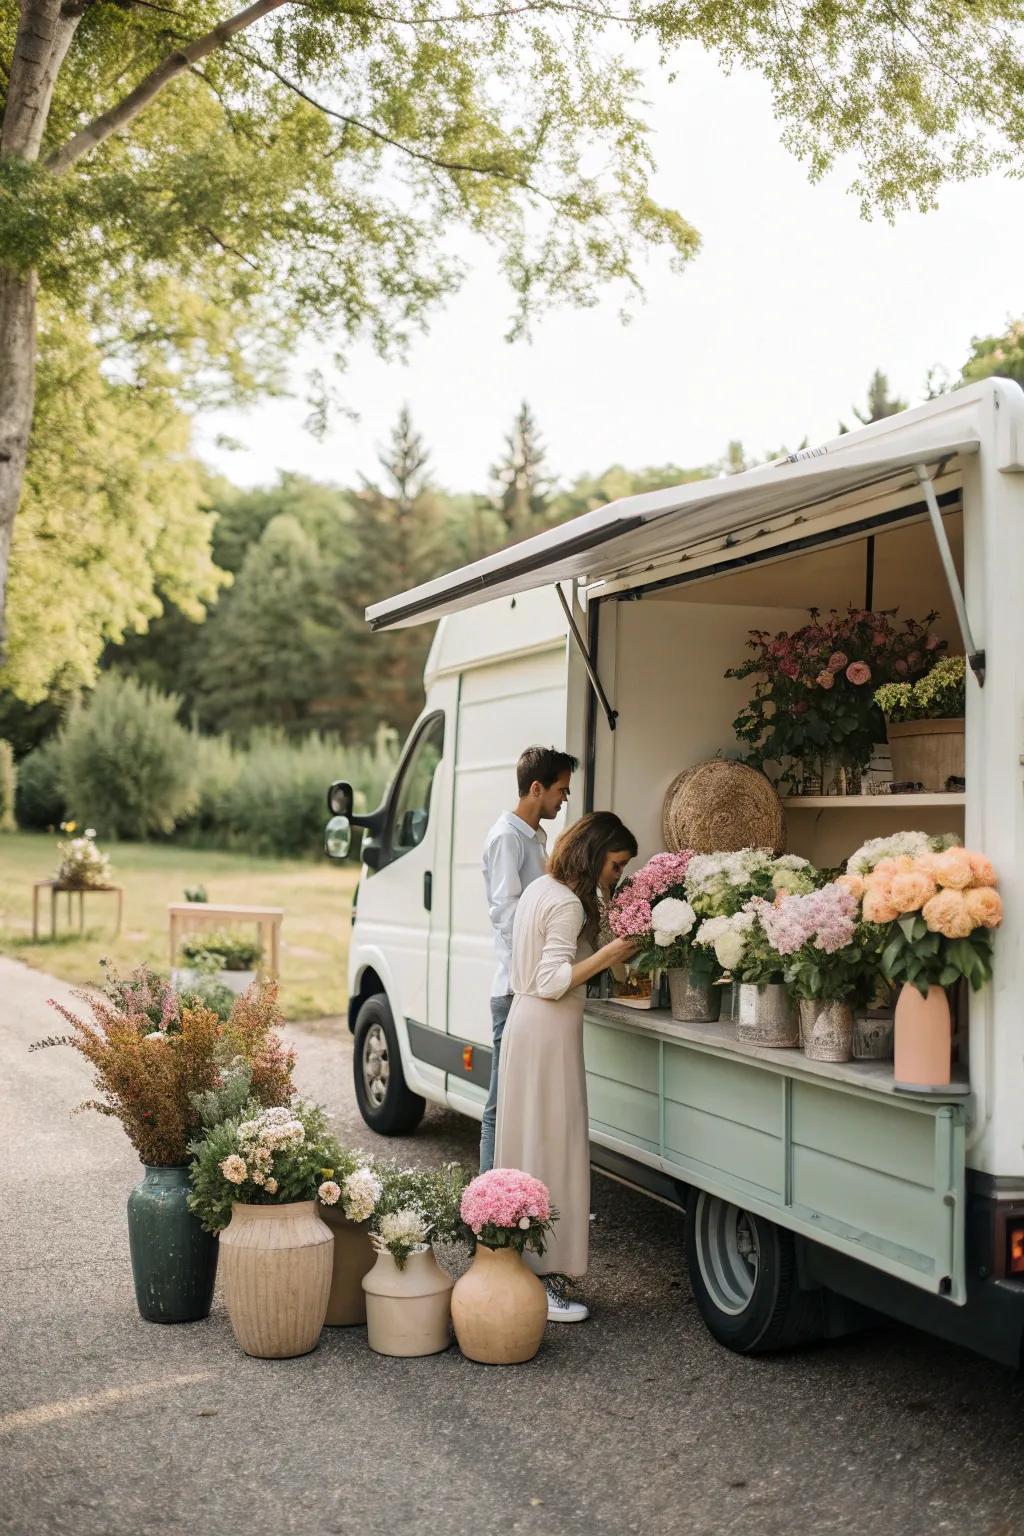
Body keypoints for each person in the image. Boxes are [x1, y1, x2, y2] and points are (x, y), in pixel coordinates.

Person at [494, 811, 639, 1323]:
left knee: (529, 1146)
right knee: (554, 1149)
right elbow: (553, 978)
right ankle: (547, 1281)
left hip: (526, 1026)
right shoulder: (566, 905)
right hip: (548, 1029)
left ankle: (518, 1263)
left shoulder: (542, 888)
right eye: (616, 865)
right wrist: (615, 952)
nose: (616, 875)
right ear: (596, 854)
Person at [479, 745, 578, 1173]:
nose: (564, 799)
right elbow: (507, 913)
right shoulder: (507, 837)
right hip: (514, 988)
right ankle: (484, 1214)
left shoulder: (534, 836)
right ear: (535, 788)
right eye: (561, 790)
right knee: (500, 1106)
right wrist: (538, 967)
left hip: (529, 985)